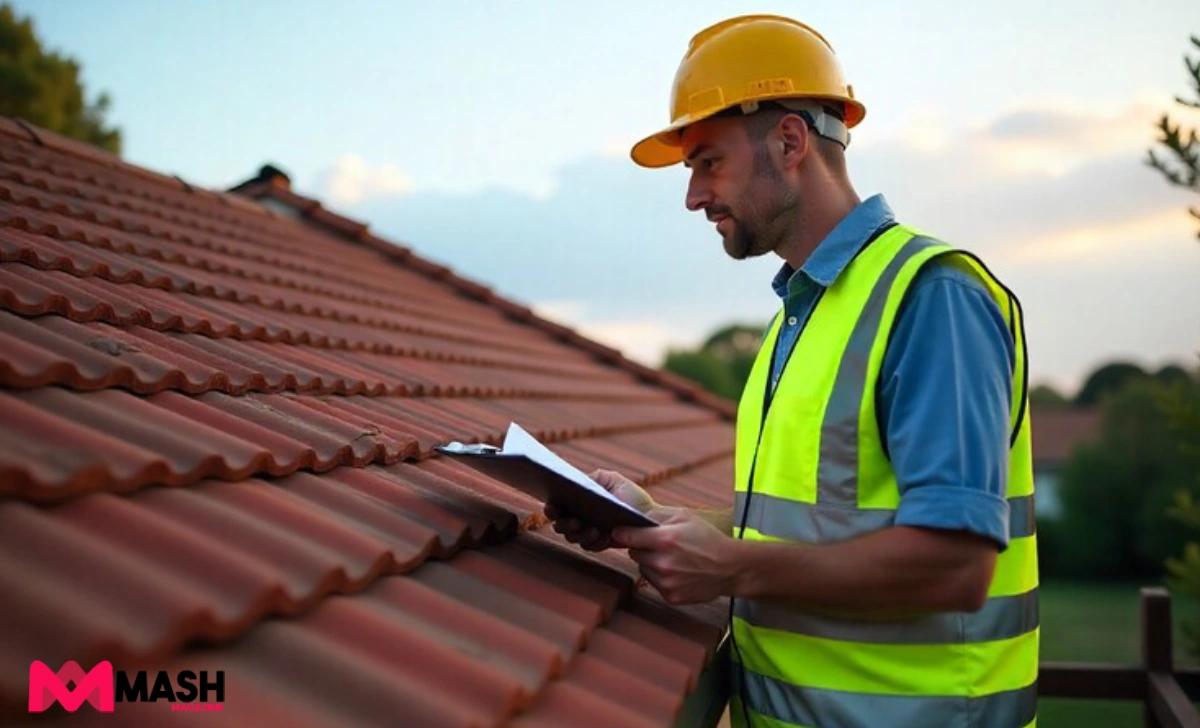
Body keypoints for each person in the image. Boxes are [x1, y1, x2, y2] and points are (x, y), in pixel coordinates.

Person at [545, 14, 1039, 728]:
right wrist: (655, 521)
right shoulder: (800, 317)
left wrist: (732, 567)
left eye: (708, 161)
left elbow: (955, 567)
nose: (693, 197)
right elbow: (813, 525)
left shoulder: (933, 298)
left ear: (789, 141)